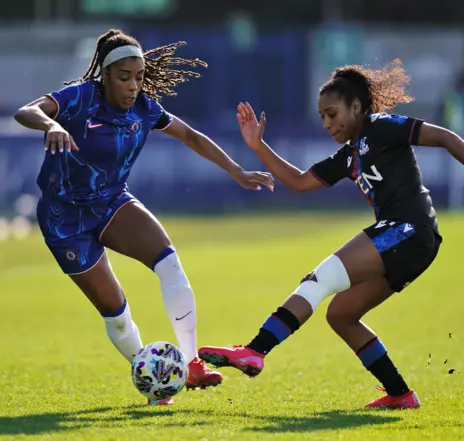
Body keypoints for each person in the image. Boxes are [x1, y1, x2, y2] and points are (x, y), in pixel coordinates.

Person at [198, 59, 464, 409]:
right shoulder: (348, 155)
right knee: (342, 315)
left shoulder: (381, 127)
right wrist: (258, 147)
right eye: (322, 117)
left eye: (333, 114)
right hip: (411, 241)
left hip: (408, 229)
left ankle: (254, 350)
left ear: (357, 106)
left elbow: (444, 136)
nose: (327, 123)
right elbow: (300, 182)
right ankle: (401, 395)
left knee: (318, 280)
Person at [14, 29, 274, 406]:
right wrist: (52, 124)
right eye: (124, 77)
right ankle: (154, 379)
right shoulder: (80, 98)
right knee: (116, 313)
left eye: (138, 77)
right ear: (104, 75)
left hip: (112, 204)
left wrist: (236, 171)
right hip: (63, 219)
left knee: (170, 263)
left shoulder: (145, 109)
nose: (133, 86)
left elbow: (192, 136)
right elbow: (26, 111)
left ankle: (192, 363)